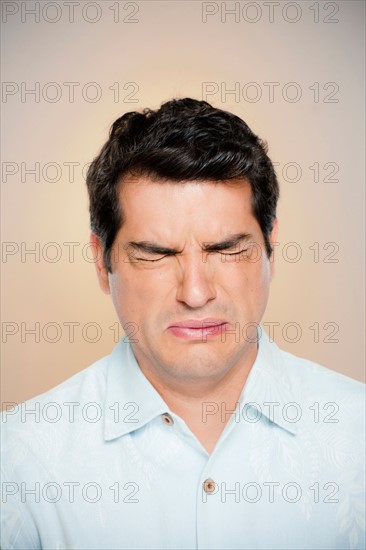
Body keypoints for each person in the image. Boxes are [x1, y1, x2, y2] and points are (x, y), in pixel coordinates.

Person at [1, 98, 364, 550]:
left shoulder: (357, 432)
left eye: (226, 249)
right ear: (101, 261)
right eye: (156, 253)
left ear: (270, 246)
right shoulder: (18, 460)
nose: (195, 293)